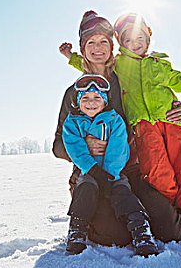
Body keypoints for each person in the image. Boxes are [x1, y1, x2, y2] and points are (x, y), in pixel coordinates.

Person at [63, 12, 181, 245]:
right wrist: (87, 146)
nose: (97, 48)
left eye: (104, 42)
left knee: (170, 229)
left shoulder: (121, 76)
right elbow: (60, 143)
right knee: (115, 235)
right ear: (83, 48)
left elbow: (166, 87)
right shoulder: (75, 93)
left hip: (129, 169)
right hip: (90, 173)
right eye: (90, 43)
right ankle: (89, 223)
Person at [63, 74, 158, 256]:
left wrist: (111, 175)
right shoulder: (72, 122)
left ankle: (141, 231)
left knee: (123, 193)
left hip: (114, 173)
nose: (91, 102)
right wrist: (93, 171)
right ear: (77, 101)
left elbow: (118, 149)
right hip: (88, 172)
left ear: (105, 101)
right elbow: (76, 150)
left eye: (97, 98)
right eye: (86, 99)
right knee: (85, 189)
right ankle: (77, 230)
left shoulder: (114, 120)